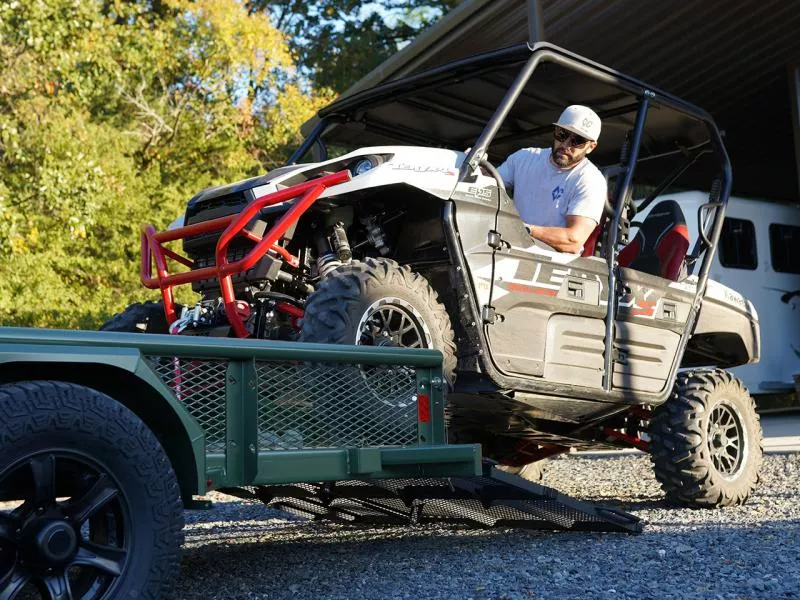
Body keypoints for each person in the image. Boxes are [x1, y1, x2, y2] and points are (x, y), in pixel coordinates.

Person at [497, 105, 607, 254]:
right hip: (508, 249)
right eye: (562, 134)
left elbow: (573, 240)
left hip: (554, 264)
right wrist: (474, 168)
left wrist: (524, 229)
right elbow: (487, 184)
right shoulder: (523, 158)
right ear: (555, 131)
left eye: (577, 140)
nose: (566, 144)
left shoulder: (591, 180)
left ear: (591, 147)